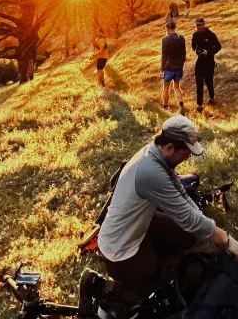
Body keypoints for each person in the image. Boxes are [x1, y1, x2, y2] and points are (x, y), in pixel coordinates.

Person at [93, 115, 237, 300]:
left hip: (141, 225)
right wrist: (227, 241)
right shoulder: (150, 171)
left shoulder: (157, 154)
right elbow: (186, 217)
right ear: (169, 148)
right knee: (190, 273)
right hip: (120, 251)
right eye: (186, 152)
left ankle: (154, 254)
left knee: (187, 235)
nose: (189, 156)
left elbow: (182, 195)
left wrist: (204, 223)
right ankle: (106, 291)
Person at [192, 18, 222, 113]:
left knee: (209, 82)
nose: (199, 27)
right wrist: (196, 51)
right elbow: (193, 46)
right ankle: (199, 105)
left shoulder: (211, 34)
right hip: (199, 62)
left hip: (209, 62)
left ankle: (212, 98)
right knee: (199, 84)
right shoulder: (195, 35)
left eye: (200, 25)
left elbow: (218, 46)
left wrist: (208, 52)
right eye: (197, 26)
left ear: (204, 25)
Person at [161, 20, 186, 115]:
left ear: (167, 29)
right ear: (174, 28)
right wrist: (181, 65)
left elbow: (164, 56)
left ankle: (165, 106)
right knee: (177, 87)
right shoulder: (181, 38)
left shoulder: (165, 39)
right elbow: (184, 54)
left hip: (169, 68)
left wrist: (162, 69)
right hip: (178, 67)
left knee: (166, 87)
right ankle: (181, 103)